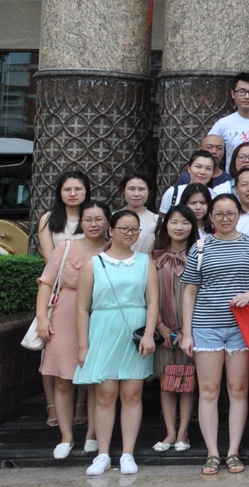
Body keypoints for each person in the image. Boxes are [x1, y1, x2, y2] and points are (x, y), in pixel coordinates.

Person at [179, 193, 249, 475]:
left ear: (239, 214)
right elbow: (189, 291)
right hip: (206, 326)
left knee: (238, 389)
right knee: (208, 390)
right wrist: (187, 333)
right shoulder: (200, 247)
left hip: (242, 328)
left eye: (231, 213)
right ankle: (212, 453)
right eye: (219, 214)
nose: (225, 218)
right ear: (211, 217)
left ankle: (233, 452)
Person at [74, 208, 158, 475]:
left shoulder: (145, 261)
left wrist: (149, 334)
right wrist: (83, 345)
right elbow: (82, 309)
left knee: (132, 394)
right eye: (124, 228)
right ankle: (102, 454)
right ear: (110, 230)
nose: (130, 233)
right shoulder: (93, 264)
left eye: (134, 229)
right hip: (102, 330)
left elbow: (153, 301)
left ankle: (127, 454)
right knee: (105, 394)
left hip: (135, 333)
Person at [38, 199, 106, 461]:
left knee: (97, 380)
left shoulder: (112, 249)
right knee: (63, 379)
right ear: (81, 223)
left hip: (100, 316)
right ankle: (66, 436)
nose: (93, 224)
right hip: (65, 316)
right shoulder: (65, 248)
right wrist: (42, 318)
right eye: (88, 219)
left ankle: (92, 433)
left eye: (99, 219)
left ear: (108, 222)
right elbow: (46, 282)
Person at [151, 207, 200, 455]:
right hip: (162, 329)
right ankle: (170, 431)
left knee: (187, 380)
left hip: (191, 329)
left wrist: (184, 330)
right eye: (173, 221)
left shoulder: (199, 254)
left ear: (193, 226)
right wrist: (161, 327)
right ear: (166, 225)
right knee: (166, 380)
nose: (179, 227)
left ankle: (183, 432)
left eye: (185, 222)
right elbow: (147, 295)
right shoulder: (153, 257)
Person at [37, 170, 89, 258]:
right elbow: (48, 257)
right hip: (57, 266)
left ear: (86, 191)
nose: (73, 194)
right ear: (60, 192)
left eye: (78, 189)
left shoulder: (95, 219)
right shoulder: (47, 219)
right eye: (67, 189)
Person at [118, 172, 158, 253]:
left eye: (141, 189)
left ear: (149, 191)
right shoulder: (113, 217)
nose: (136, 194)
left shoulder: (156, 220)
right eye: (131, 189)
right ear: (123, 191)